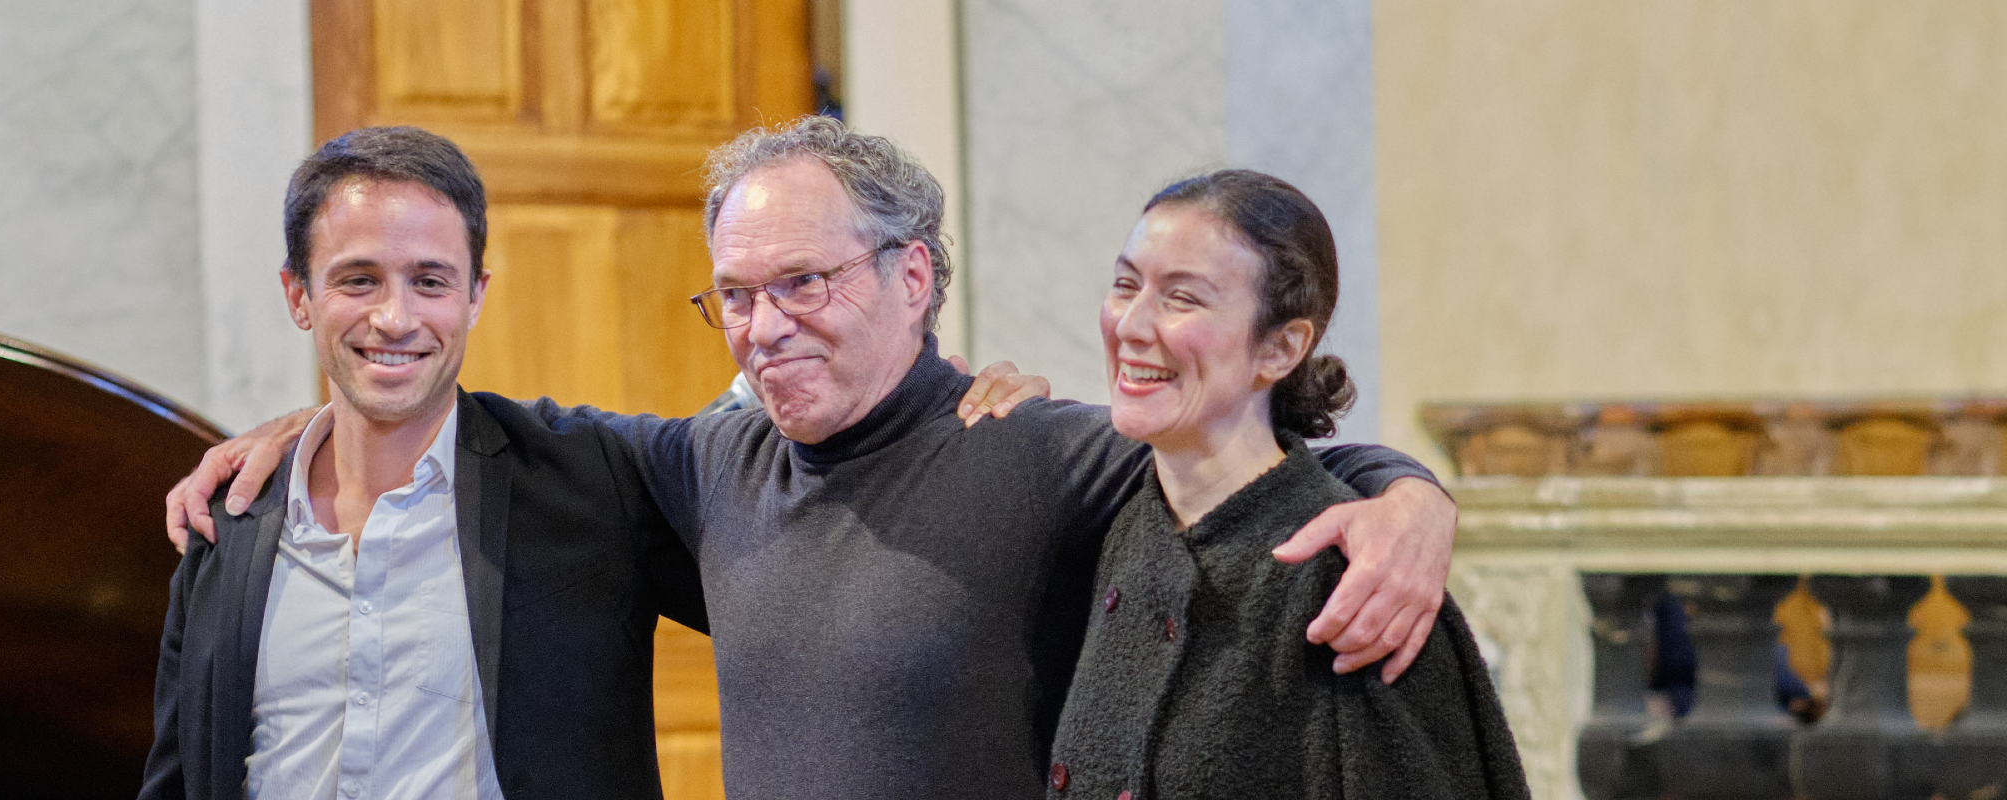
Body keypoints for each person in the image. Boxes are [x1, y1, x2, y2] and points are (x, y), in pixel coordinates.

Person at [172, 116, 1462, 799]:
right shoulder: (705, 462)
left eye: (801, 283)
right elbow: (447, 405)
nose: (761, 326)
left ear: (913, 275)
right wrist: (305, 427)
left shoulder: (1035, 448)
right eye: (733, 294)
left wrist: (1408, 496)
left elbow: (1244, 462)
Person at [140, 126, 1045, 800]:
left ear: (477, 294)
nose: (394, 318)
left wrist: (937, 402)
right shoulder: (233, 521)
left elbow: (806, 457)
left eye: (429, 280)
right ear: (299, 295)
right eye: (356, 280)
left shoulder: (588, 481)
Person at [1047, 170, 1525, 798]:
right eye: (1125, 285)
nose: (1132, 325)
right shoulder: (1118, 524)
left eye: (1182, 298)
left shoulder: (1355, 580)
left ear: (1281, 348)